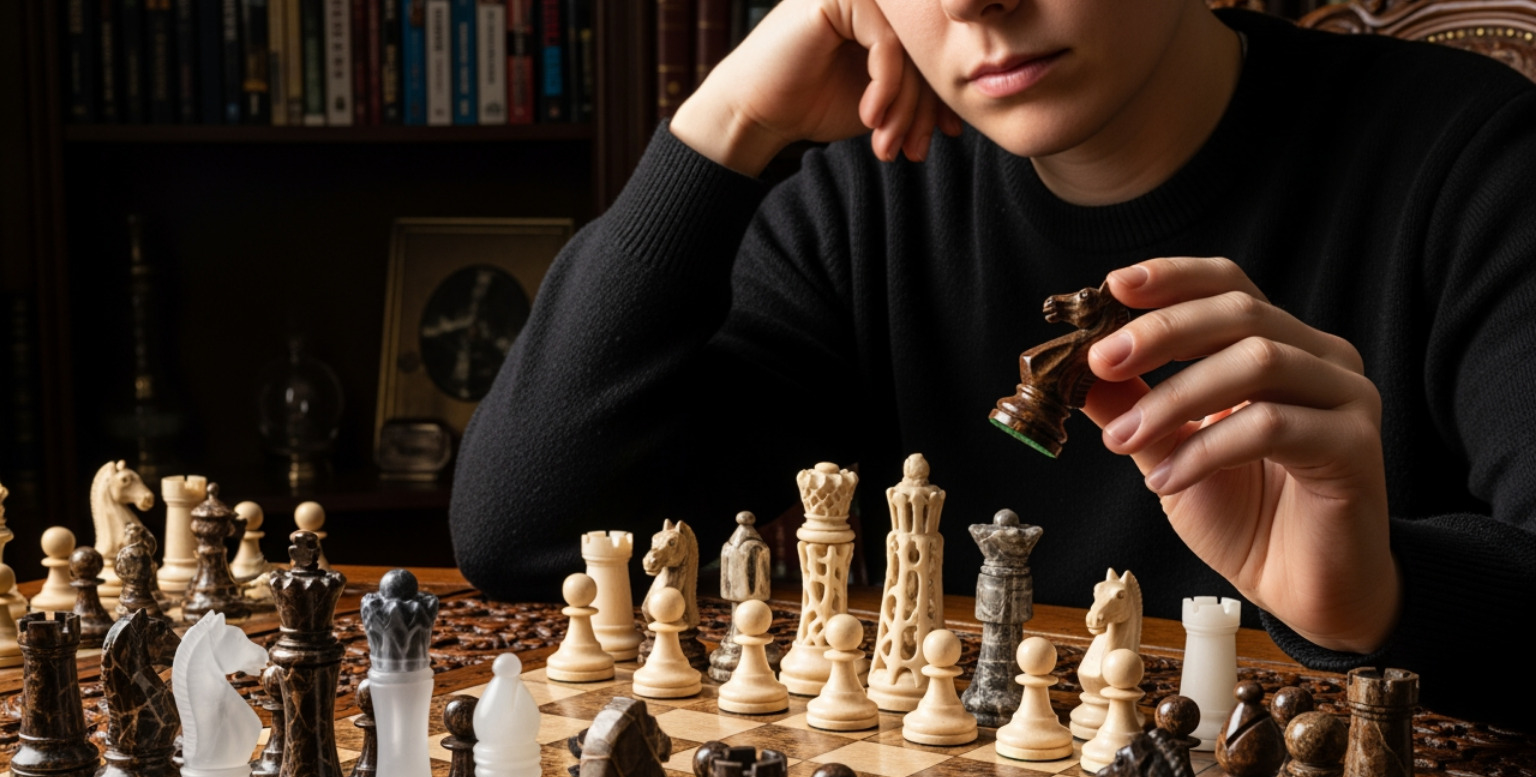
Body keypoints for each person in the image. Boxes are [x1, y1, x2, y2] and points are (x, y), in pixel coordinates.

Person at [450, 0, 1536, 721]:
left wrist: (1377, 597)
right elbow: (526, 530)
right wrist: (727, 119)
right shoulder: (863, 202)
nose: (972, 2)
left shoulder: (1481, 163)